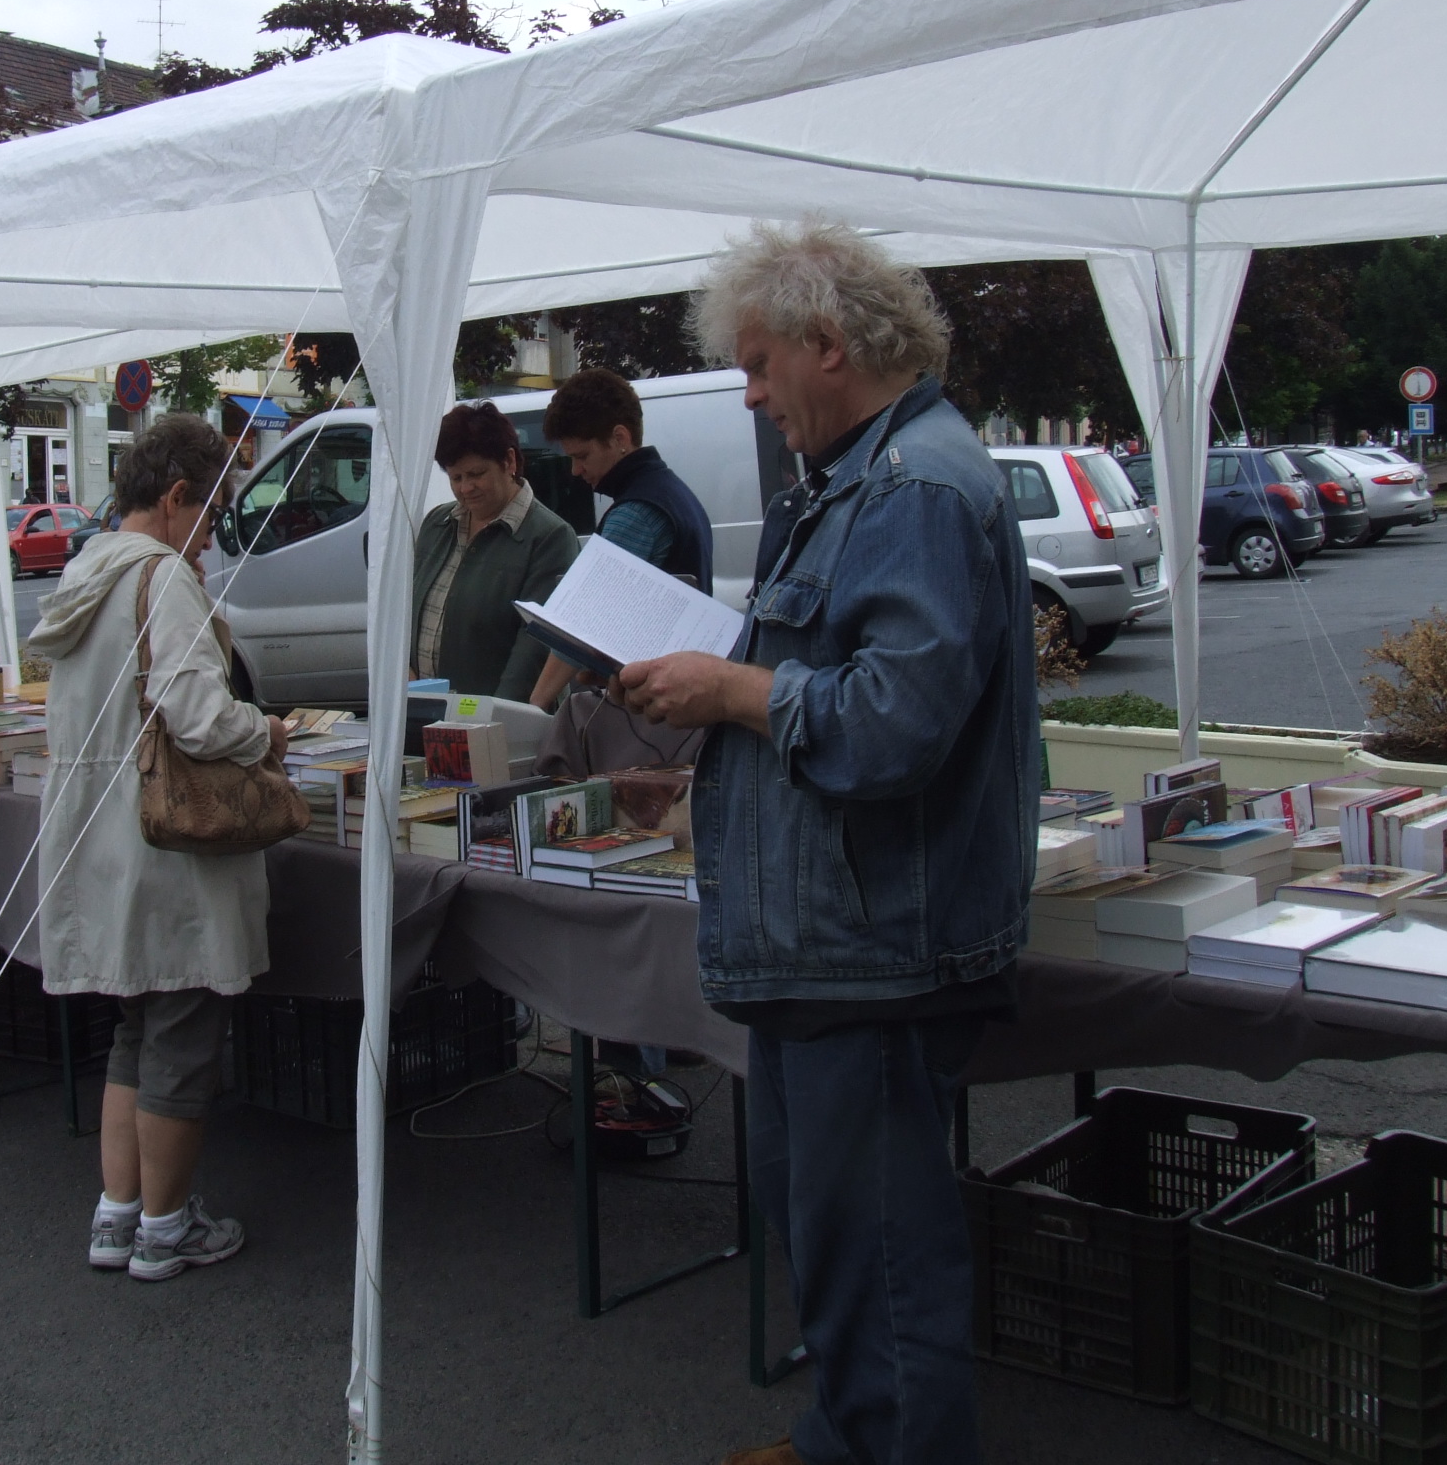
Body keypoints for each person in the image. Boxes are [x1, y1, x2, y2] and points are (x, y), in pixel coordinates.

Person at [616, 221, 1035, 1465]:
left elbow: (893, 724)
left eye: (758, 366)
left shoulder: (914, 490)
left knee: (883, 1258)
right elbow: (835, 689)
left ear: (828, 344)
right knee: (840, 1239)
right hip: (829, 945)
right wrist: (715, 728)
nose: (750, 395)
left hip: (872, 950)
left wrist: (731, 692)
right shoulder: (867, 477)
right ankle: (843, 1437)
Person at [27, 413, 284, 1282]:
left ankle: (119, 1213)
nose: (210, 541)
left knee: (135, 1028)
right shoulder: (160, 577)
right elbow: (200, 717)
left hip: (100, 837)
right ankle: (166, 1228)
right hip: (165, 846)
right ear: (176, 497)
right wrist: (266, 732)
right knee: (181, 1028)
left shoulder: (88, 570)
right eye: (209, 519)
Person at [529, 365, 717, 705]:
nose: (575, 470)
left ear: (620, 438)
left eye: (581, 456)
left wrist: (536, 706)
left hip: (661, 708)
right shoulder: (672, 492)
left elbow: (582, 620)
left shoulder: (636, 513)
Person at [409, 402, 580, 705]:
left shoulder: (550, 537)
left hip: (497, 718)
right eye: (455, 478)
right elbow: (408, 609)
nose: (466, 488)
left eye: (476, 474)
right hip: (428, 713)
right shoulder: (438, 523)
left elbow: (533, 647)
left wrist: (498, 716)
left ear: (509, 461)